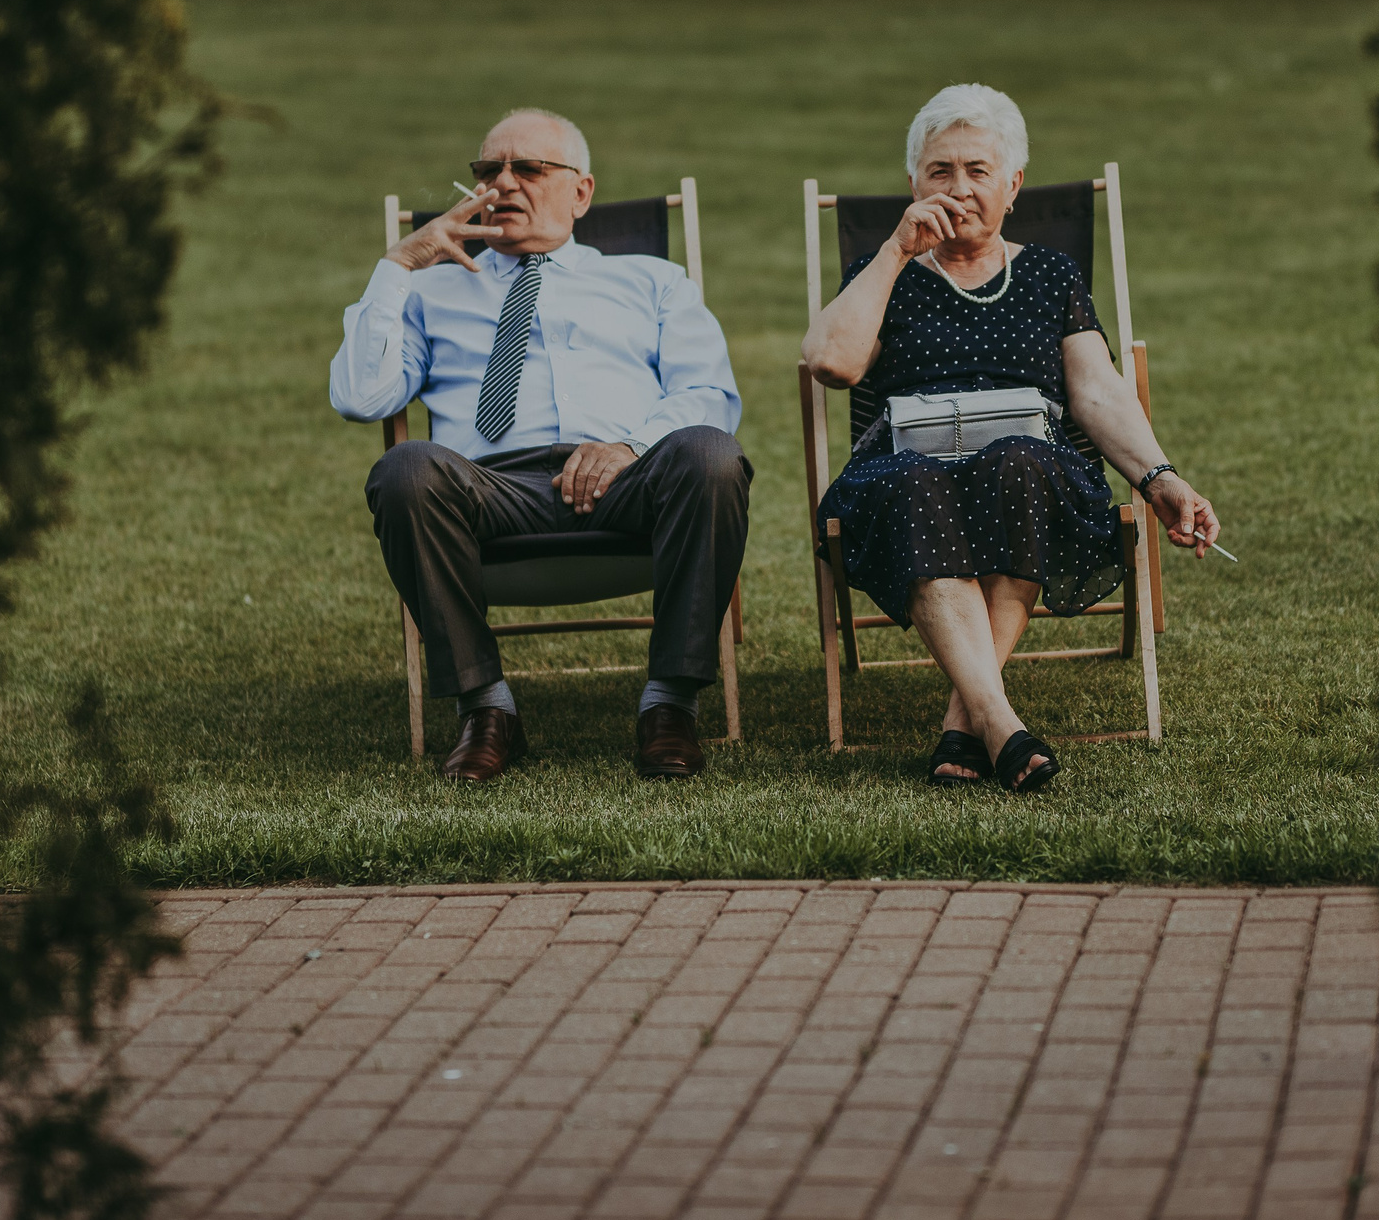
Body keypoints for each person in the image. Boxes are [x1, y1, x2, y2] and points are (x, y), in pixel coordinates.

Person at [801, 84, 1219, 789]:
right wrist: (898, 249)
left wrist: (1161, 478)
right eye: (939, 171)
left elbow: (1094, 389)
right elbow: (830, 362)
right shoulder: (884, 273)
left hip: (1029, 478)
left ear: (1014, 185)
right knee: (915, 481)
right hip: (909, 478)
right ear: (913, 182)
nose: (958, 187)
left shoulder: (1051, 274)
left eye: (978, 170)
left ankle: (967, 726)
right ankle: (999, 725)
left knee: (1018, 463)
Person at [330, 108, 750, 781]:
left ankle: (670, 704)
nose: (501, 184)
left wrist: (630, 445)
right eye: (486, 171)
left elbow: (710, 394)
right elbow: (359, 397)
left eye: (527, 168)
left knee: (710, 455)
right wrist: (399, 266)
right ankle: (487, 709)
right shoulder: (431, 290)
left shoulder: (650, 280)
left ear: (581, 192)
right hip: (490, 488)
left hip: (628, 479)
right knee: (404, 468)